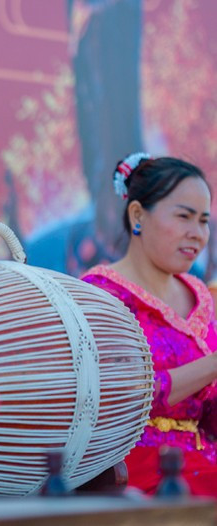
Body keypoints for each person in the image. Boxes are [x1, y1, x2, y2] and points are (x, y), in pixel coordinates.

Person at [81, 153, 217, 496]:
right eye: (184, 216)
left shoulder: (201, 295)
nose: (198, 234)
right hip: (134, 471)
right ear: (138, 215)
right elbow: (120, 398)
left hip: (204, 461)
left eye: (204, 221)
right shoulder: (100, 295)